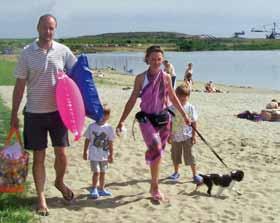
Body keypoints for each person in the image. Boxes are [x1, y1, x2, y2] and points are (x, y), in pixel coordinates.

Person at [10, 14, 77, 216]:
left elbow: (78, 76)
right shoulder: (27, 53)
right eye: (45, 28)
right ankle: (41, 198)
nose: (48, 32)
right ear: (38, 27)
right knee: (39, 157)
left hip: (59, 114)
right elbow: (20, 85)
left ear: (55, 29)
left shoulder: (63, 51)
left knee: (62, 154)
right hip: (34, 114)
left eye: (51, 28)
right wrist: (14, 114)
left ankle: (59, 182)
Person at [116, 45, 191, 201]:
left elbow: (173, 97)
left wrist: (184, 115)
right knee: (156, 149)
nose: (156, 62)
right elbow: (131, 100)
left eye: (159, 59)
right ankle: (155, 187)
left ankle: (152, 179)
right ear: (147, 60)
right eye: (153, 59)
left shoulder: (167, 77)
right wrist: (122, 120)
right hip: (146, 119)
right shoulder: (140, 78)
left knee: (157, 153)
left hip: (164, 119)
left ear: (162, 60)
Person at [167, 84, 202, 183]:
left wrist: (194, 136)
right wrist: (169, 135)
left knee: (190, 155)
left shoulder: (191, 108)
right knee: (175, 155)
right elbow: (169, 123)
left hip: (187, 136)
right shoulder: (171, 108)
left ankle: (195, 175)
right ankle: (176, 172)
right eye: (180, 96)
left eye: (185, 96)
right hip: (175, 136)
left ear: (188, 96)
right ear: (176, 96)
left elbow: (194, 122)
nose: (182, 98)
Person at [83, 104, 115, 199]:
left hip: (104, 155)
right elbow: (87, 140)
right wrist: (85, 151)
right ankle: (94, 189)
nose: (103, 116)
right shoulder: (92, 126)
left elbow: (110, 142)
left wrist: (111, 155)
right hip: (94, 154)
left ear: (108, 116)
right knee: (96, 172)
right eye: (102, 114)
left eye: (106, 114)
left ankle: (101, 189)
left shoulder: (109, 128)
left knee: (103, 172)